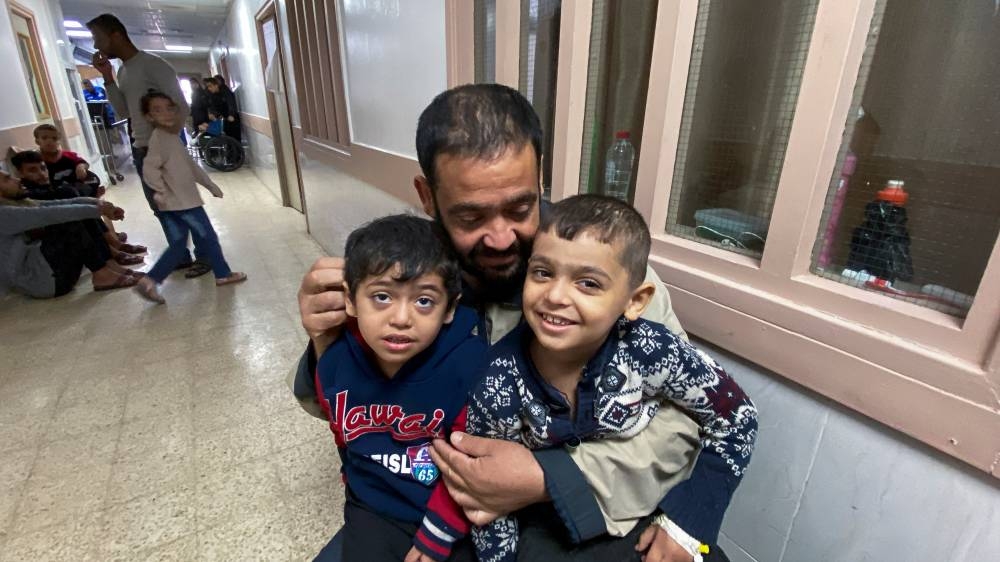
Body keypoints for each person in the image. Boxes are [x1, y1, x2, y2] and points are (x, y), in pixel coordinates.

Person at [294, 84, 736, 561]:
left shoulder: (607, 276)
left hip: (583, 510)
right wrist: (328, 338)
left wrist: (549, 477)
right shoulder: (402, 271)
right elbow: (351, 416)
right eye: (471, 216)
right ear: (427, 196)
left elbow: (687, 422)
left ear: (540, 178)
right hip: (427, 512)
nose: (502, 238)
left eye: (520, 208)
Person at [413, 195, 757, 562]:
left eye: (589, 283)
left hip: (644, 506)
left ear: (635, 301)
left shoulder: (652, 351)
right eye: (542, 273)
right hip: (547, 523)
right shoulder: (498, 382)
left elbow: (737, 418)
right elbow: (488, 500)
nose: (556, 296)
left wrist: (687, 524)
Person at [314, 214, 486, 561]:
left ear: (450, 307)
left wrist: (436, 535)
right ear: (350, 300)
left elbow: (473, 467)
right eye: (381, 297)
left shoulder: (470, 367)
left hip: (447, 511)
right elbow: (340, 425)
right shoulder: (332, 360)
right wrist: (353, 474)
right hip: (371, 506)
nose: (401, 318)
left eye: (424, 301)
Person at [87, 13, 212, 278]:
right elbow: (124, 111)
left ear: (115, 35)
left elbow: (181, 105)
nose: (96, 46)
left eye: (98, 38)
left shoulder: (153, 66)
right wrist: (107, 78)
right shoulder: (123, 70)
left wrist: (166, 142)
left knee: (186, 204)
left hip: (163, 148)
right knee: (161, 206)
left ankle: (205, 255)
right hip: (141, 148)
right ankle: (181, 255)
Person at [133, 92, 246, 303]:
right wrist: (159, 190)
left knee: (177, 245)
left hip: (174, 204)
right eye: (157, 110)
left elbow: (191, 167)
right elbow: (150, 168)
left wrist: (210, 185)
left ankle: (149, 281)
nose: (165, 113)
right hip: (184, 204)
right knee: (208, 238)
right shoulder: (159, 139)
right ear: (149, 117)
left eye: (169, 108)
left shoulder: (171, 138)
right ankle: (223, 274)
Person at [0, 169, 140, 297]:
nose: (17, 180)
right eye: (7, 179)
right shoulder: (3, 214)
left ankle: (109, 265)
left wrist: (99, 204)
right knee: (66, 218)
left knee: (75, 211)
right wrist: (99, 210)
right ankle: (102, 275)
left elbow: (59, 204)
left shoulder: (12, 204)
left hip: (51, 272)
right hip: (43, 282)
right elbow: (49, 214)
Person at [12, 150, 146, 263]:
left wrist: (98, 203)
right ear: (20, 174)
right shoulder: (27, 191)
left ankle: (116, 245)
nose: (41, 174)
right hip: (46, 240)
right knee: (78, 210)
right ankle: (113, 252)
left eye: (43, 168)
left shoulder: (44, 185)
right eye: (32, 170)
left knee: (82, 206)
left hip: (57, 228)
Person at [204, 77, 242, 142]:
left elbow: (231, 103)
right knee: (228, 140)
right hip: (224, 119)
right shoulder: (213, 95)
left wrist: (231, 114)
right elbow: (213, 107)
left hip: (232, 118)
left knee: (236, 139)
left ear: (216, 85)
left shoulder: (225, 91)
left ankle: (237, 151)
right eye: (208, 87)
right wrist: (213, 114)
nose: (209, 89)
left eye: (210, 86)